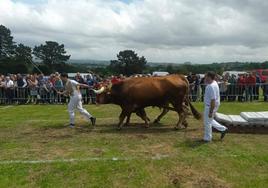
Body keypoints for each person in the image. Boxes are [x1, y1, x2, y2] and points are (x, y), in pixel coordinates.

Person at [203, 71, 228, 142]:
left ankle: (207, 138)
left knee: (207, 123)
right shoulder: (214, 83)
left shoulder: (210, 86)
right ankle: (223, 129)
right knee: (209, 120)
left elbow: (213, 100)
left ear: (210, 77)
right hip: (214, 105)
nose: (205, 78)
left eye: (206, 77)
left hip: (210, 106)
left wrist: (211, 111)